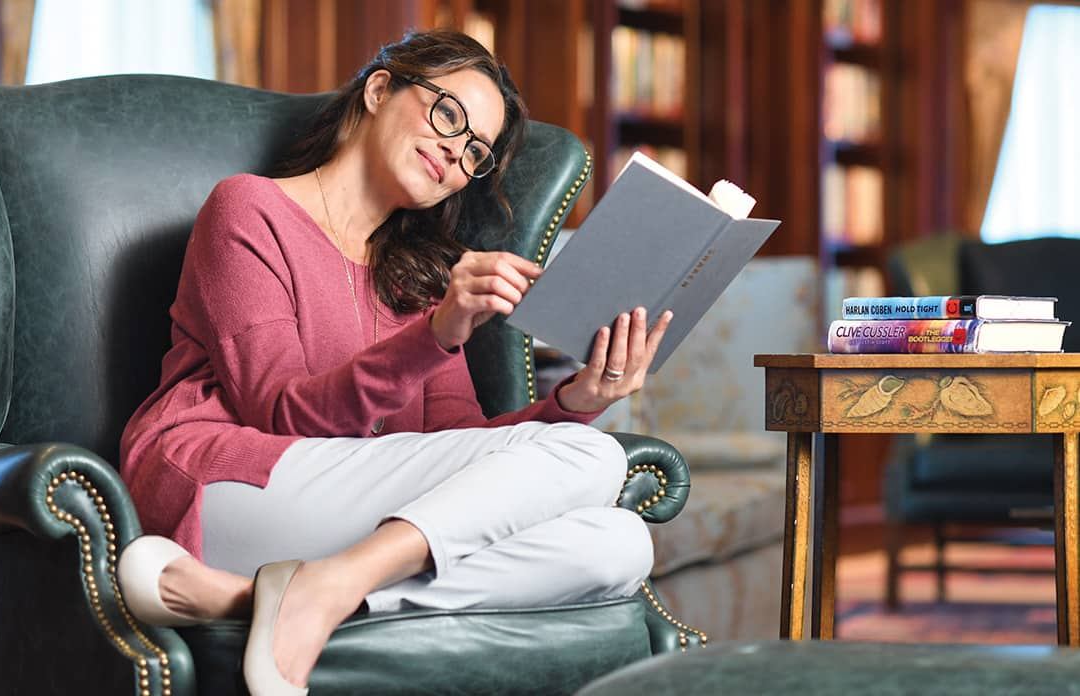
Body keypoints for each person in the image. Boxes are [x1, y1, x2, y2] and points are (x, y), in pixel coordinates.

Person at [116, 29, 673, 696]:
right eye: (448, 114)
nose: (455, 151)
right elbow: (279, 412)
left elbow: (459, 449)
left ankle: (270, 597)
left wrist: (577, 400)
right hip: (226, 484)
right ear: (380, 90)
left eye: (475, 152)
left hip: (347, 512)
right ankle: (322, 583)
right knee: (599, 460)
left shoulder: (418, 281)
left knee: (618, 544)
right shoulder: (249, 208)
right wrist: (436, 335)